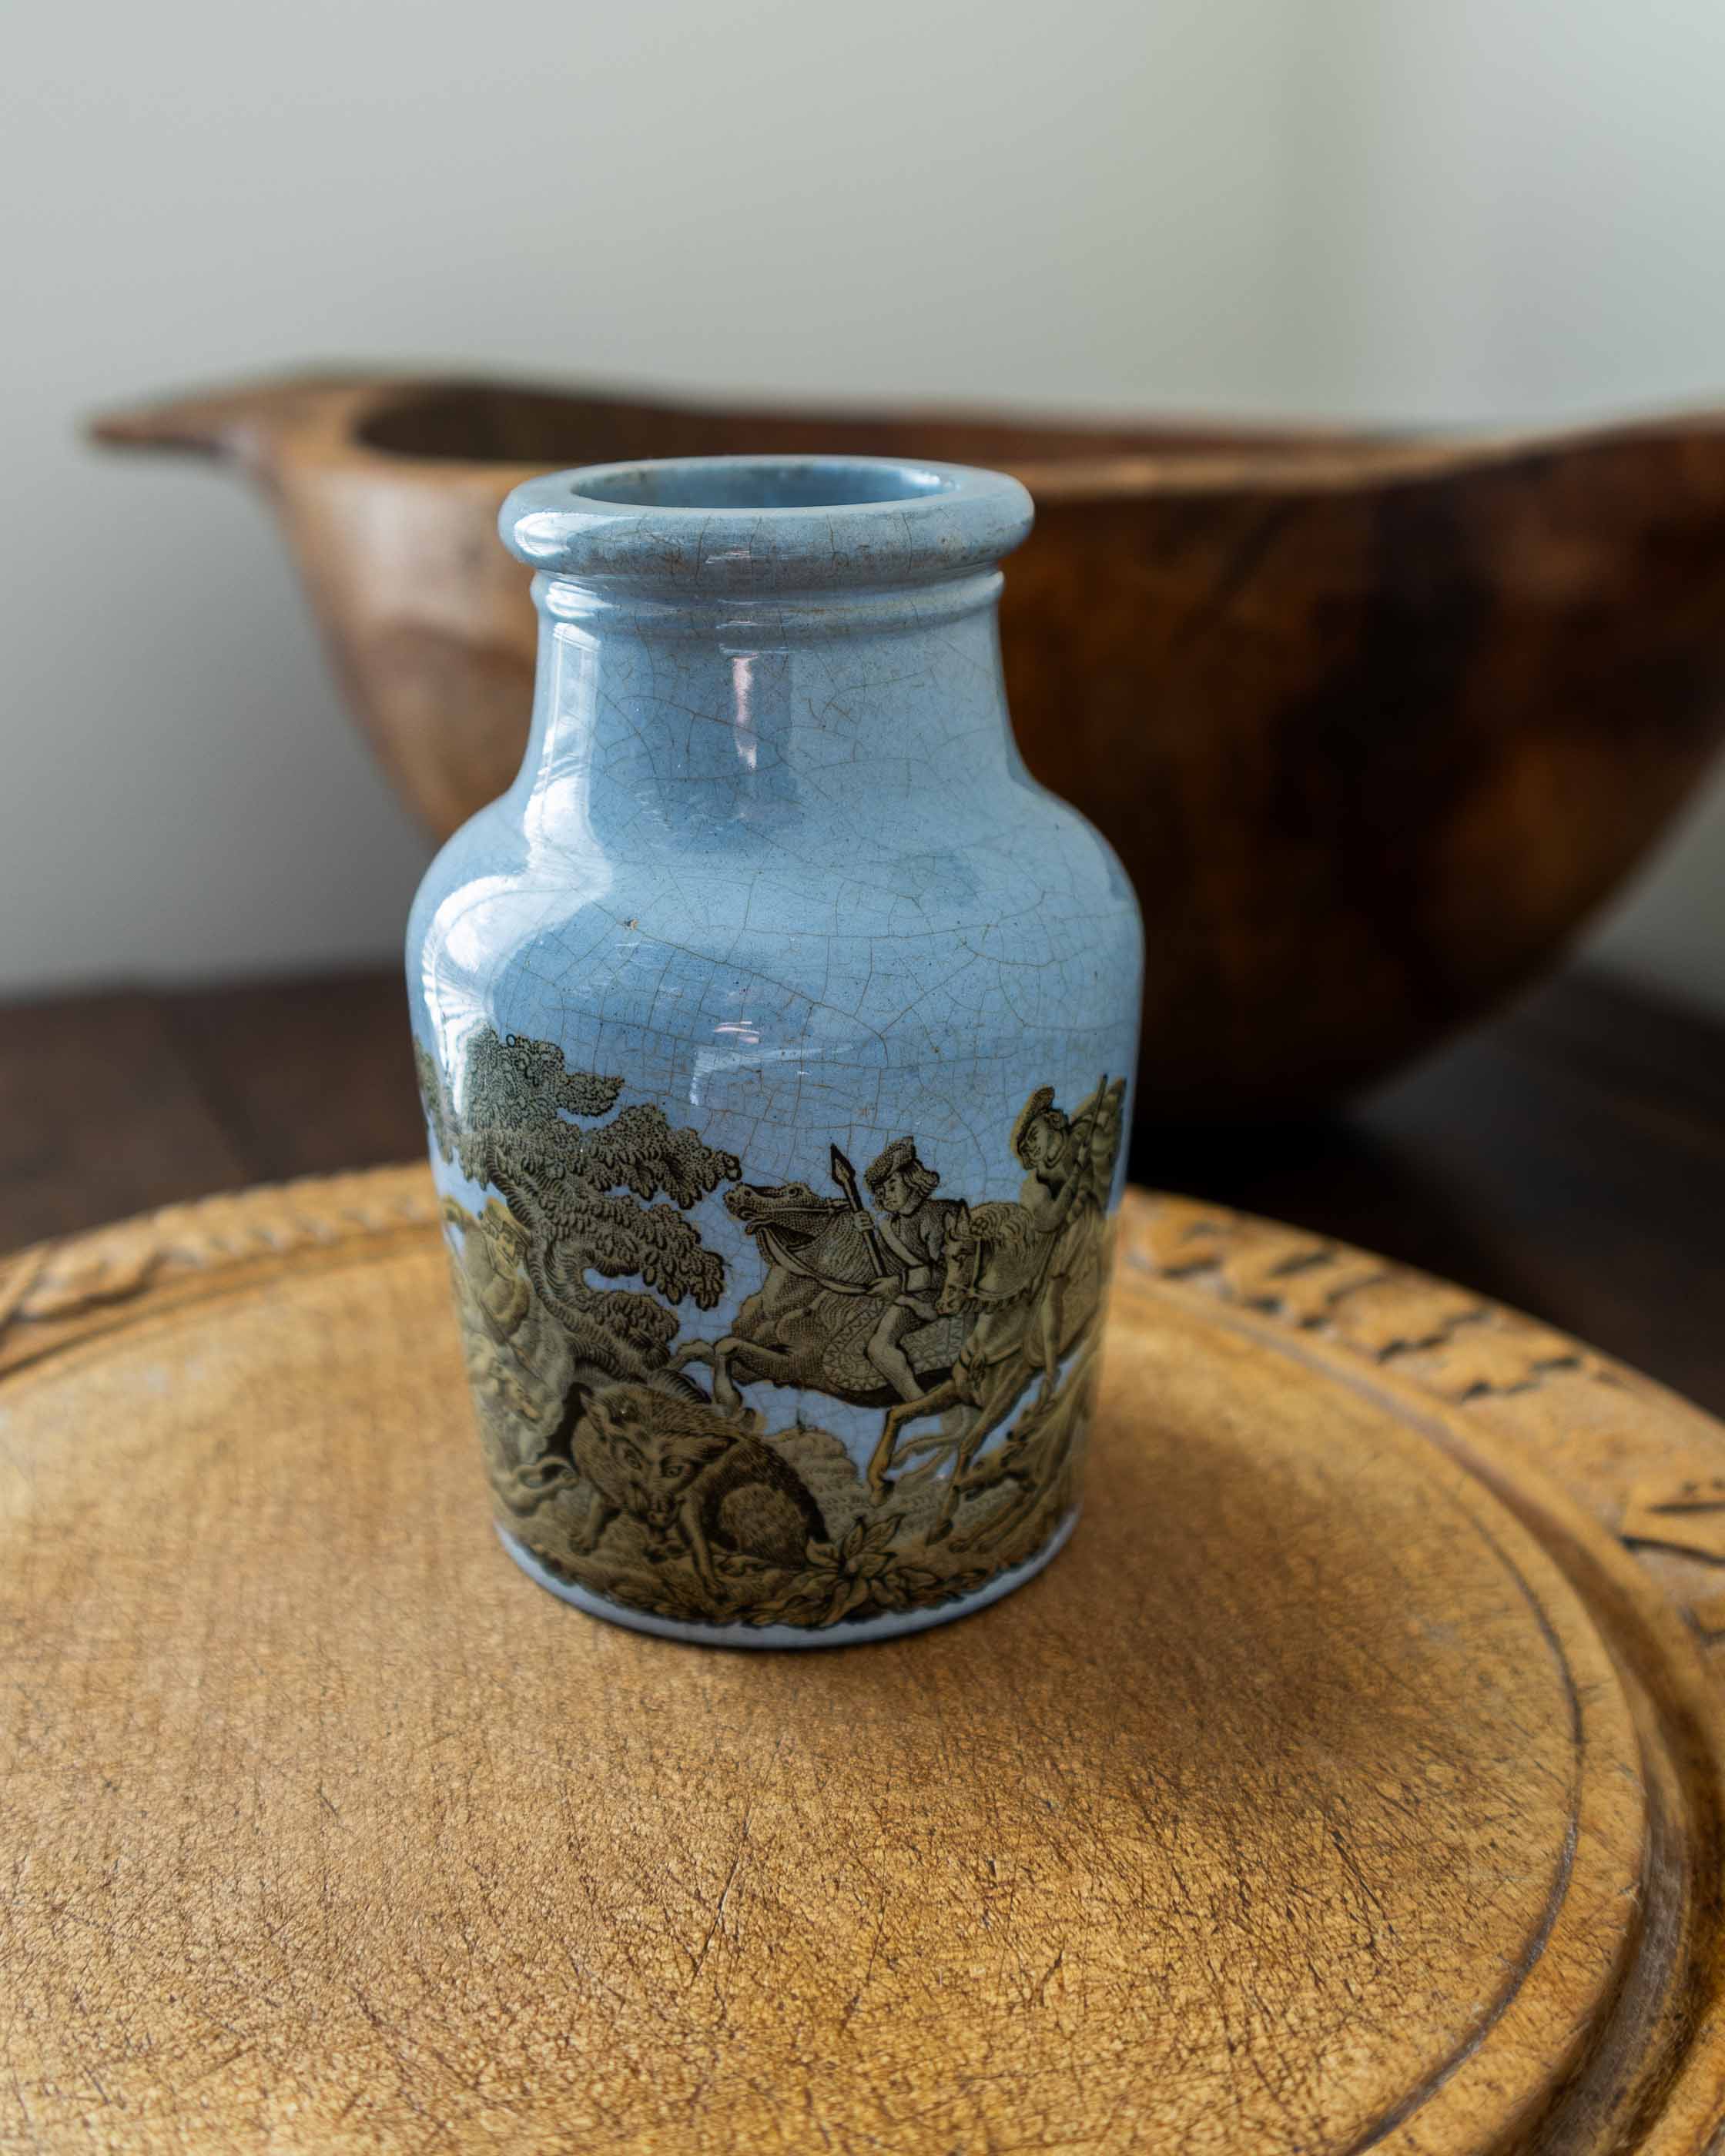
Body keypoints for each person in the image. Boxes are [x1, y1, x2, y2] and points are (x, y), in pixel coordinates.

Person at [856, 1137, 962, 1401]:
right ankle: (918, 1401)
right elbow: (884, 1266)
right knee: (878, 1348)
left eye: (892, 1185)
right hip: (913, 1296)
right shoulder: (890, 1226)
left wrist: (900, 1283)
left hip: (948, 1294)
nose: (887, 1195)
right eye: (881, 1191)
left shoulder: (938, 1215)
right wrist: (867, 1232)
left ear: (913, 1179)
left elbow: (949, 1274)